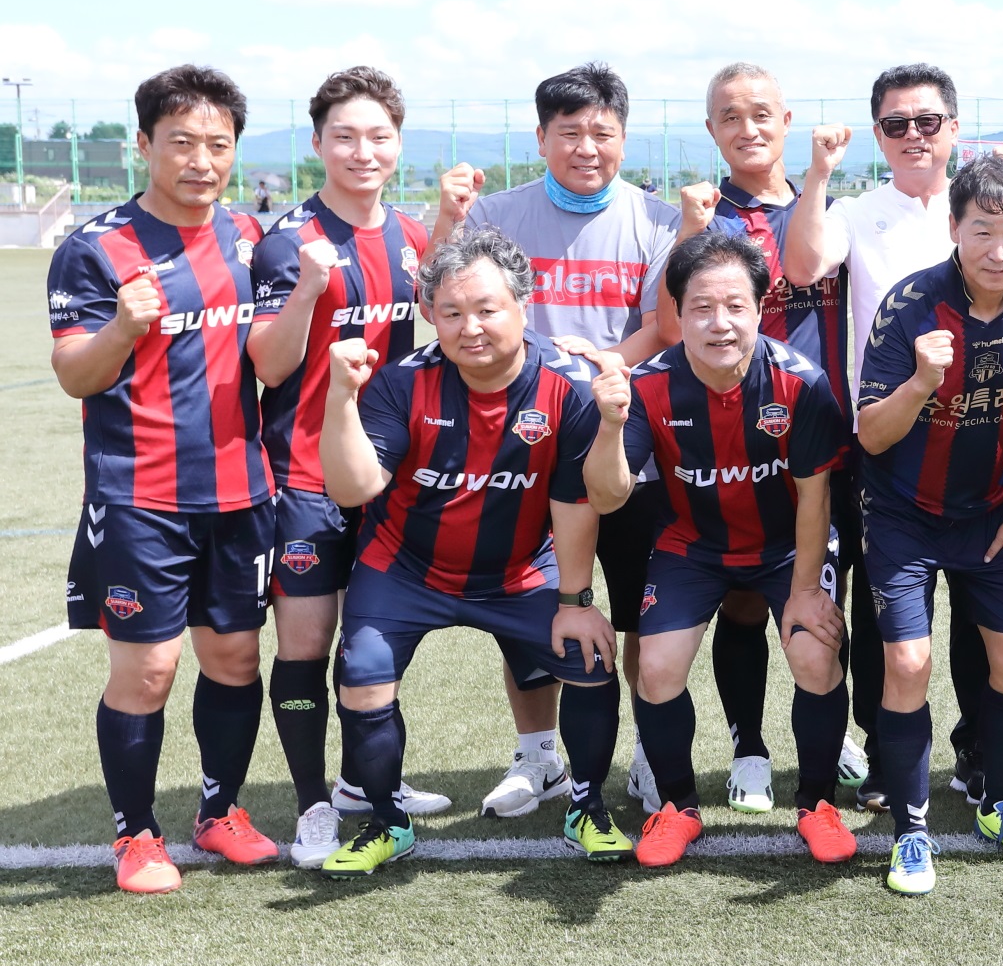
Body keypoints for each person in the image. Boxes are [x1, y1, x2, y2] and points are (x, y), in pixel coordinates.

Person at [315, 226, 632, 873]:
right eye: (452, 313)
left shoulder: (568, 385)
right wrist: (341, 397)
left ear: (523, 305)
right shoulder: (402, 383)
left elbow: (584, 501)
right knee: (362, 672)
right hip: (404, 569)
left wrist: (575, 601)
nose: (471, 327)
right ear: (431, 316)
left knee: (590, 653)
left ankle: (587, 806)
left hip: (519, 570)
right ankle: (387, 820)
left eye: (487, 309)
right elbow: (353, 488)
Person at [49, 65, 281, 893]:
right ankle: (136, 834)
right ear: (143, 145)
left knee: (236, 656)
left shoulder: (250, 237)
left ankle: (219, 813)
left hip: (242, 490)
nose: (201, 160)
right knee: (148, 669)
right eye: (182, 142)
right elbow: (75, 374)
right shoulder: (95, 247)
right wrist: (123, 326)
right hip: (139, 496)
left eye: (218, 143)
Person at [437, 63, 687, 822]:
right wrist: (447, 217)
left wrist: (607, 364)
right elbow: (444, 299)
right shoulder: (494, 214)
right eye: (569, 132)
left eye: (602, 132)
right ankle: (538, 754)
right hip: (526, 445)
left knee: (640, 609)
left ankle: (648, 751)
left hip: (626, 438)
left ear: (623, 138)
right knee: (535, 604)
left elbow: (663, 325)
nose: (587, 147)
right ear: (541, 138)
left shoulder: (657, 219)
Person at [852, 154, 1003, 896]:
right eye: (981, 230)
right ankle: (911, 829)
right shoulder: (908, 305)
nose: (997, 249)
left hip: (991, 513)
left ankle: (997, 800)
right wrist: (923, 381)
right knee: (908, 663)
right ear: (953, 227)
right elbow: (871, 435)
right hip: (902, 516)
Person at [247, 67, 460, 867]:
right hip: (303, 477)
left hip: (380, 474)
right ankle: (312, 805)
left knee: (371, 641)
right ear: (317, 143)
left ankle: (362, 783)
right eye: (345, 135)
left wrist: (447, 224)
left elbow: (438, 319)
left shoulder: (406, 233)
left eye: (378, 136)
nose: (363, 150)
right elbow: (269, 366)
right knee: (305, 643)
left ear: (398, 143)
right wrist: (308, 287)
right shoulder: (289, 241)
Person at [591, 232, 852, 868]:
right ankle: (676, 808)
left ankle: (817, 804)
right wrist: (610, 425)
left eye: (735, 306)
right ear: (677, 313)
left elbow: (815, 497)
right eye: (702, 308)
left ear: (760, 308)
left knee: (815, 655)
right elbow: (606, 495)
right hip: (692, 547)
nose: (720, 323)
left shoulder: (800, 382)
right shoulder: (647, 387)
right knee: (655, 669)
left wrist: (804, 591)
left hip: (789, 546)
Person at [785, 62, 986, 816]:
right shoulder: (857, 210)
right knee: (885, 612)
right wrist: (817, 174)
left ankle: (974, 750)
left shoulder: (980, 208)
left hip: (983, 429)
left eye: (927, 121)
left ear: (953, 129)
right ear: (878, 134)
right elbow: (803, 265)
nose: (913, 136)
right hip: (887, 434)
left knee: (979, 604)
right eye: (896, 124)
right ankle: (882, 752)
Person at [673, 60, 864, 811]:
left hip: (829, 439)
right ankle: (748, 746)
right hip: (732, 447)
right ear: (711, 130)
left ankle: (835, 735)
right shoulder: (702, 215)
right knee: (745, 604)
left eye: (761, 113)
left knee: (834, 595)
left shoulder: (831, 212)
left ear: (786, 121)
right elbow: (669, 327)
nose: (747, 127)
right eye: (730, 116)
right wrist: (688, 231)